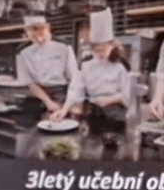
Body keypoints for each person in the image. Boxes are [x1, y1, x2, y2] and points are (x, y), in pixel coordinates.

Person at [65, 9, 132, 137]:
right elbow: (75, 89)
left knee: (114, 142)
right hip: (91, 112)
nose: (100, 54)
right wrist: (65, 109)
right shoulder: (85, 64)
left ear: (112, 45)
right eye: (97, 50)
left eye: (103, 50)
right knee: (91, 141)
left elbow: (128, 94)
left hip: (115, 114)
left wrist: (112, 99)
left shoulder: (121, 65)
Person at [14, 14, 78, 125]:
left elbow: (74, 79)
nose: (39, 40)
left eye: (42, 34)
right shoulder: (22, 52)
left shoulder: (64, 46)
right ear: (26, 32)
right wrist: (48, 102)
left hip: (63, 93)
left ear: (48, 27)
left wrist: (67, 106)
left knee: (64, 125)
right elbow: (30, 82)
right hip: (38, 94)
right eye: (33, 37)